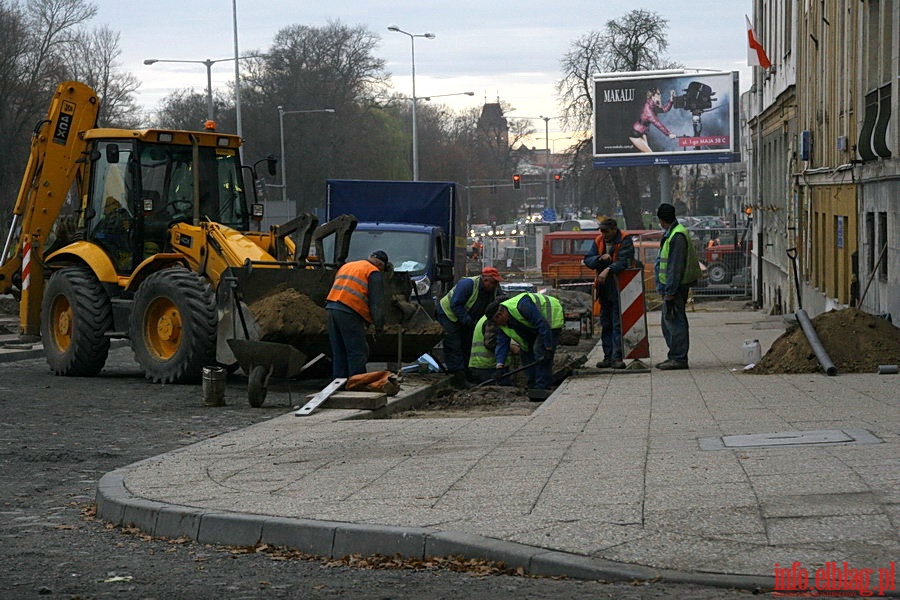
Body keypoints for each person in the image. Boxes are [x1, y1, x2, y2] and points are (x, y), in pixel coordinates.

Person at [435, 267, 503, 388]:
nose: (495, 286)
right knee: (453, 344)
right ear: (485, 280)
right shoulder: (467, 284)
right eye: (493, 283)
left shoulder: (494, 290)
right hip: (448, 314)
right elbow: (456, 305)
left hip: (467, 318)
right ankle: (458, 378)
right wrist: (469, 323)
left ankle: (467, 374)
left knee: (467, 343)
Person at [325, 250, 388, 379]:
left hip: (331, 308)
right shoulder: (373, 272)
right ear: (381, 265)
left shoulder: (348, 266)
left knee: (339, 351)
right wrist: (379, 326)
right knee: (357, 351)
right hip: (349, 311)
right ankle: (356, 384)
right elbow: (377, 304)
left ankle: (339, 383)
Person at [654, 204, 701, 370]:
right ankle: (674, 355)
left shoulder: (677, 236)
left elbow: (675, 267)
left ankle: (679, 358)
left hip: (675, 287)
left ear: (661, 220)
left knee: (675, 322)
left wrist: (670, 292)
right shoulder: (674, 233)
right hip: (671, 286)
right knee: (669, 322)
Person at [484, 292, 564, 391]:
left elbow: (542, 324)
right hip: (536, 326)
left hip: (551, 318)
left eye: (496, 322)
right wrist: (500, 367)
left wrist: (548, 348)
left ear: (500, 315)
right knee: (525, 353)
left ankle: (542, 387)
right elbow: (502, 344)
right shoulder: (503, 324)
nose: (497, 325)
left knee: (540, 351)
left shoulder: (522, 305)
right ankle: (532, 384)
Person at [583, 218, 635, 369]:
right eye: (601, 231)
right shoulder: (599, 240)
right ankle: (608, 357)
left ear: (614, 229)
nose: (603, 234)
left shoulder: (625, 239)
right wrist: (600, 258)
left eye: (606, 231)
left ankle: (617, 357)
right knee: (606, 324)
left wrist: (608, 268)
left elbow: (624, 261)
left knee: (617, 323)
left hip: (619, 287)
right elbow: (588, 260)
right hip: (604, 289)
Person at [467, 315, 520, 385]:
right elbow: (490, 343)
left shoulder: (485, 318)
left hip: (480, 366)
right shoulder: (494, 320)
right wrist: (511, 347)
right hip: (490, 368)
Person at [629, 88, 677, 153]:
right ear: (653, 96)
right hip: (635, 134)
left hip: (642, 133)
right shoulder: (648, 108)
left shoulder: (653, 105)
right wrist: (669, 134)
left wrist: (671, 100)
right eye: (658, 94)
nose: (660, 95)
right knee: (650, 155)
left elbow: (665, 109)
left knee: (645, 155)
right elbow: (656, 122)